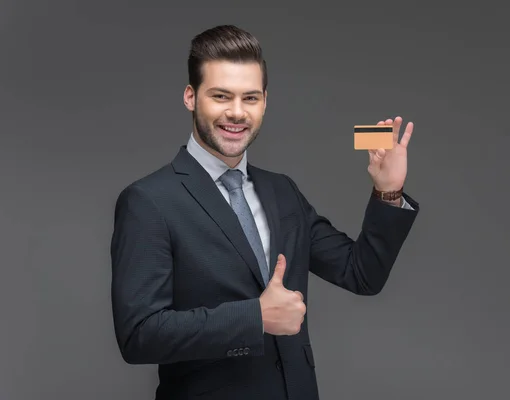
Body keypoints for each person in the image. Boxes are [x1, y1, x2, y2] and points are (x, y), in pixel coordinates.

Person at [110, 24, 419, 400]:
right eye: (221, 96)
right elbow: (139, 335)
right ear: (191, 97)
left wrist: (388, 192)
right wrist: (255, 318)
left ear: (265, 101)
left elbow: (361, 274)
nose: (237, 113)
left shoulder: (282, 191)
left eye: (250, 98)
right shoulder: (148, 201)